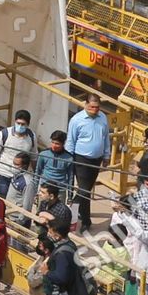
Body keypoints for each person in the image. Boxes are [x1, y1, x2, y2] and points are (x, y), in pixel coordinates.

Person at [65, 96, 111, 231]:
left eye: (97, 107)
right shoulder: (76, 120)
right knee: (84, 190)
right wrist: (69, 158)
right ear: (85, 105)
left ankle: (85, 219)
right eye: (92, 107)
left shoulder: (102, 117)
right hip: (81, 159)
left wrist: (107, 155)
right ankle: (71, 212)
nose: (94, 110)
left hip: (96, 159)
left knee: (86, 190)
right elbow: (70, 140)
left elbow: (106, 138)